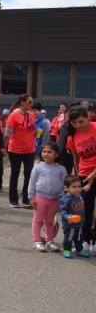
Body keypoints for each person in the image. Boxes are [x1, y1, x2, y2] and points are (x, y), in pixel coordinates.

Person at [65, 107, 96, 252]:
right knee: (85, 210)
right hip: (85, 175)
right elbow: (76, 158)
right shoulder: (72, 137)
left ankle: (94, 242)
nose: (79, 125)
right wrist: (78, 178)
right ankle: (85, 241)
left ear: (87, 117)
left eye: (81, 121)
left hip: (94, 173)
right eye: (75, 122)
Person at [28, 143, 67, 252]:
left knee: (50, 221)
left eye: (50, 152)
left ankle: (49, 240)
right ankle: (36, 241)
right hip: (40, 197)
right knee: (38, 220)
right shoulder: (38, 167)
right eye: (44, 151)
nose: (46, 154)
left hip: (55, 199)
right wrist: (31, 197)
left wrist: (64, 198)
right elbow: (31, 183)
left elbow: (65, 185)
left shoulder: (61, 169)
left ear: (57, 154)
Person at [4, 94, 36, 209]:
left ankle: (26, 198)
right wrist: (4, 147)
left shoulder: (31, 115)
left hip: (30, 150)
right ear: (22, 102)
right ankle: (13, 199)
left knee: (29, 174)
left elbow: (32, 130)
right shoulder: (14, 115)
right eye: (29, 102)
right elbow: (7, 133)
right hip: (16, 149)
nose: (31, 104)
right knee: (15, 174)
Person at [59, 175, 89, 259]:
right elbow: (62, 210)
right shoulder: (66, 199)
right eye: (74, 187)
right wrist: (67, 217)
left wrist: (85, 188)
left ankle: (79, 250)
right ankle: (67, 249)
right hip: (70, 224)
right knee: (69, 238)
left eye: (79, 186)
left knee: (79, 238)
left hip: (79, 223)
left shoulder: (78, 195)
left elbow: (83, 190)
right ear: (66, 188)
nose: (77, 189)